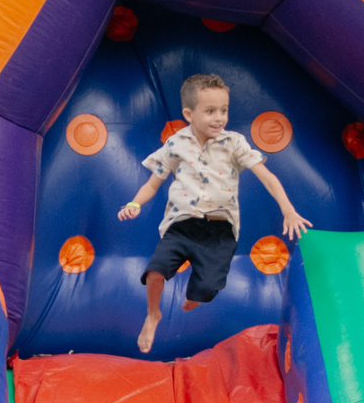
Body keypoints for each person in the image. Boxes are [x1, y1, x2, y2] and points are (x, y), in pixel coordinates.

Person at [119, 72, 313, 354]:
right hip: (181, 224)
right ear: (189, 114)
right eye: (210, 111)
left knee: (207, 289)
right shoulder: (176, 143)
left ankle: (198, 293)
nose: (219, 117)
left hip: (220, 229)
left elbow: (267, 177)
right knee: (154, 272)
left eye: (223, 110)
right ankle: (153, 315)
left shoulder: (234, 143)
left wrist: (288, 210)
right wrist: (134, 204)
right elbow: (152, 183)